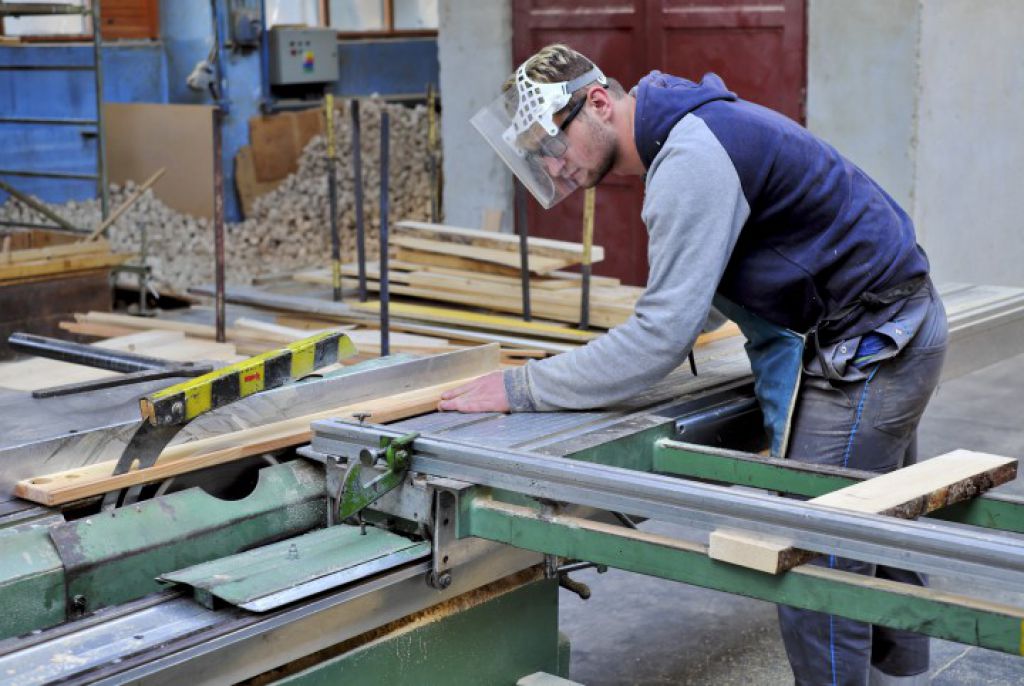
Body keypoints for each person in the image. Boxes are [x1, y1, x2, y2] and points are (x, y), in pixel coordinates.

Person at [440, 43, 946, 686]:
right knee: (875, 521)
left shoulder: (689, 157)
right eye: (540, 155)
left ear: (598, 103)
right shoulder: (689, 128)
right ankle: (904, 670)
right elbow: (706, 286)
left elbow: (660, 338)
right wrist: (650, 332)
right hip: (893, 323)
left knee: (817, 564)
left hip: (872, 347)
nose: (555, 164)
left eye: (555, 143)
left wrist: (521, 386)